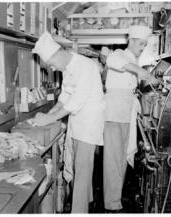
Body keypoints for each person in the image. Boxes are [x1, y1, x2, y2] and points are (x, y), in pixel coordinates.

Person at [31, 32, 105, 213]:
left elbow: (76, 101)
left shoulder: (85, 66)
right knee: (79, 168)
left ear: (57, 54)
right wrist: (49, 113)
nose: (54, 69)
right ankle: (86, 202)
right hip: (76, 124)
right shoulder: (67, 68)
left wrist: (48, 119)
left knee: (82, 172)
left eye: (51, 64)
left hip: (88, 127)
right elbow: (64, 98)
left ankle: (79, 212)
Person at [102, 25, 159, 212]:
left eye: (145, 44)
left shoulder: (132, 59)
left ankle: (115, 199)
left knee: (121, 159)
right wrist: (143, 73)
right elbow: (112, 60)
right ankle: (111, 204)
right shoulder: (120, 53)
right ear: (131, 40)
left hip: (125, 114)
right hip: (114, 114)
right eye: (141, 44)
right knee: (113, 161)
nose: (142, 47)